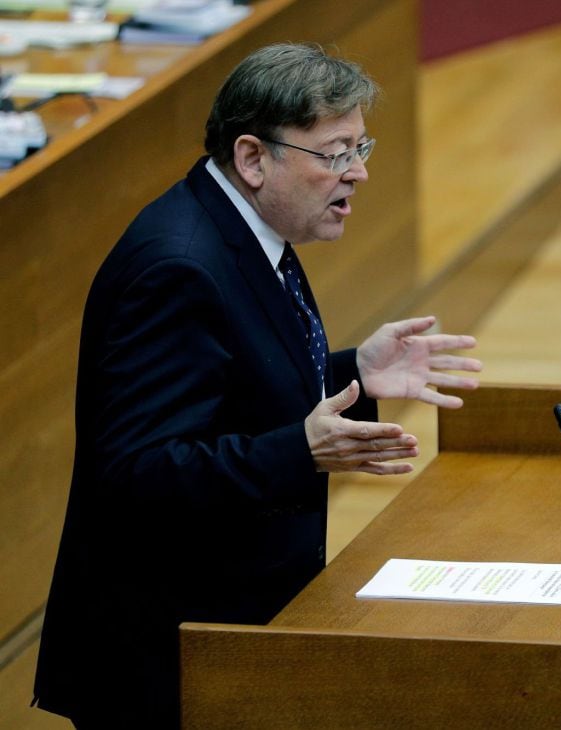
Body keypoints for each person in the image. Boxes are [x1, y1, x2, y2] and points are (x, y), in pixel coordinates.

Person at [33, 43, 481, 727]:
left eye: (361, 148)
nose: (358, 173)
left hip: (233, 639)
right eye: (334, 153)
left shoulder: (246, 228)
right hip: (169, 665)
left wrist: (354, 373)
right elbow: (136, 473)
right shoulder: (177, 267)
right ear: (253, 158)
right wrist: (299, 452)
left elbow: (236, 391)